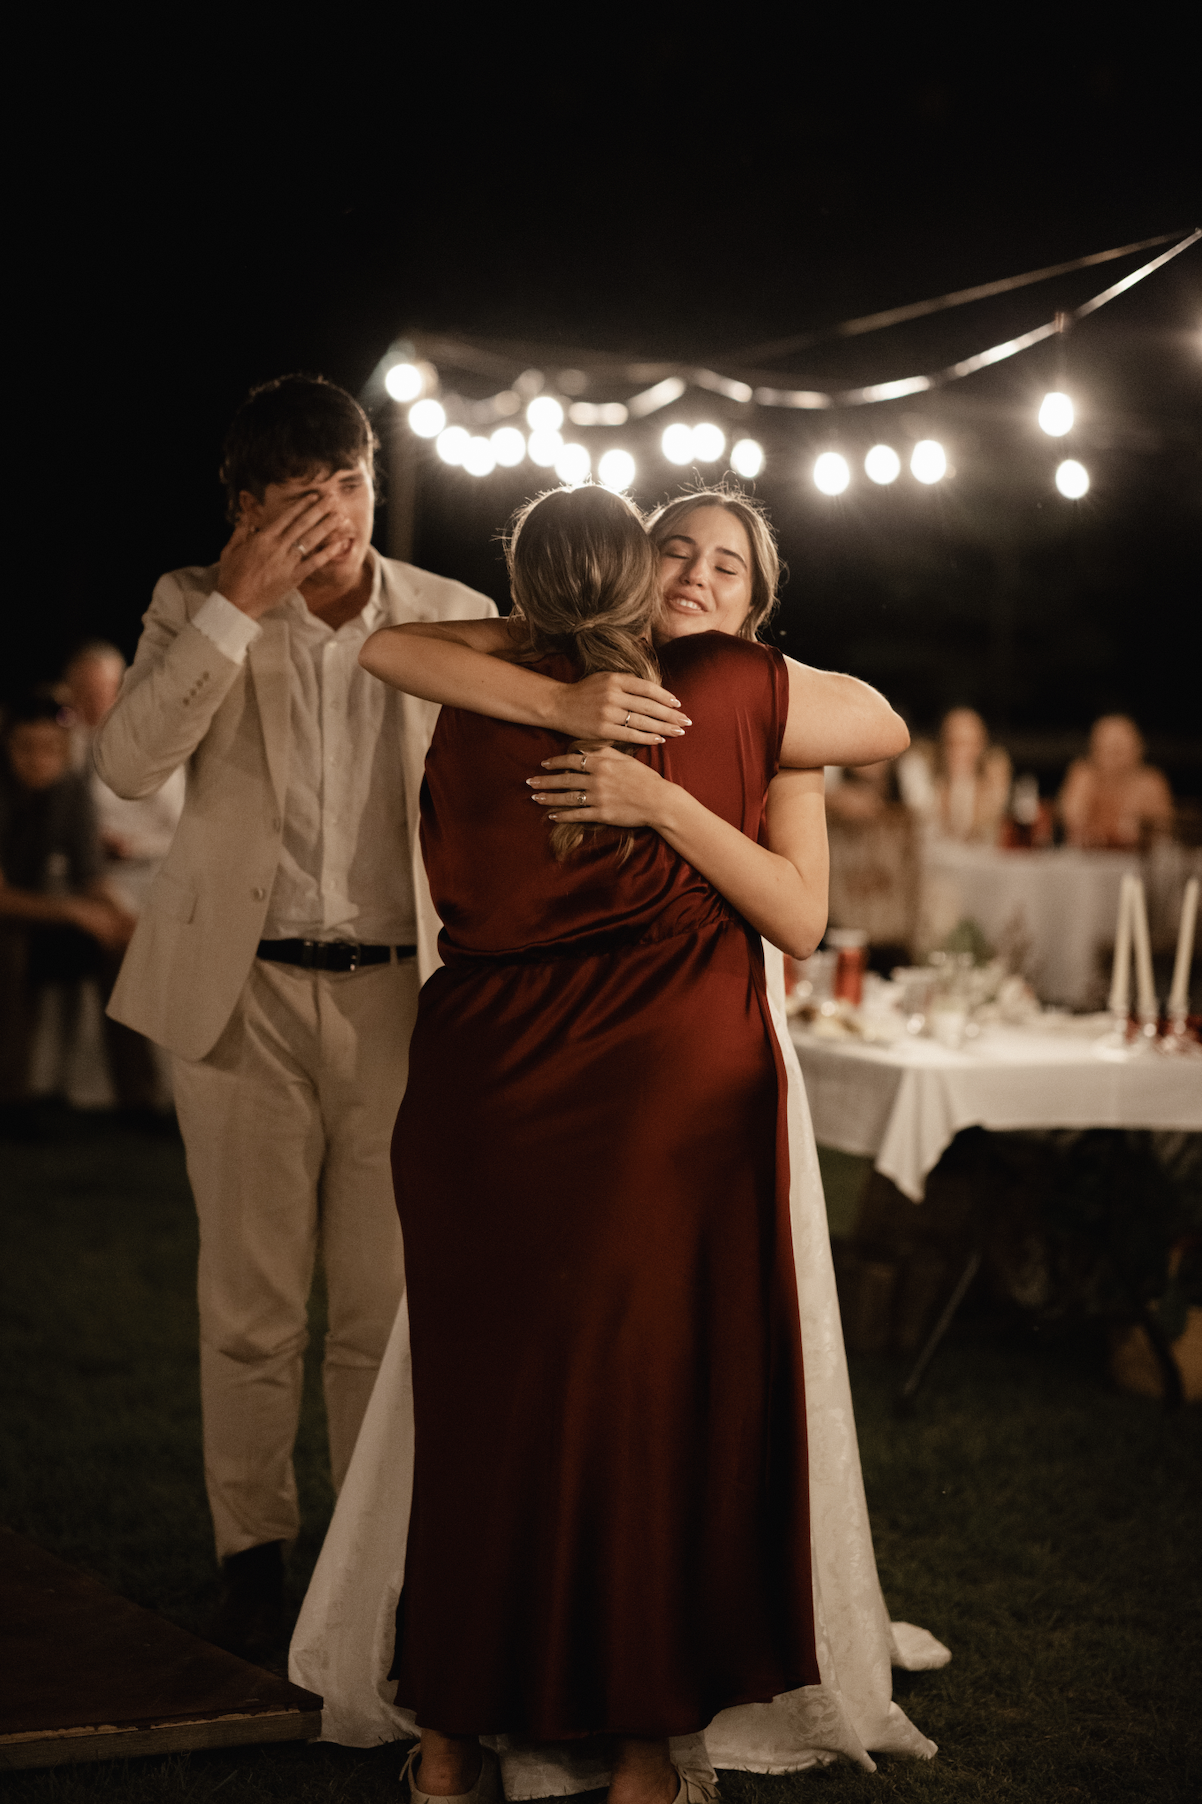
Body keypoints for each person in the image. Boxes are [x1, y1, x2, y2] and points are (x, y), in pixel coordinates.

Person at [291, 487, 945, 1795]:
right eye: (676, 550)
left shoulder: (517, 687)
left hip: (504, 1089)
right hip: (615, 1095)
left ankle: (455, 1740)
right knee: (625, 1417)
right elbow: (879, 721)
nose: (698, 575)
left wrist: (655, 799)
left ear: (759, 611)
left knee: (512, 1420)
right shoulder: (604, 682)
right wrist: (581, 707)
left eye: (728, 565)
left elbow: (809, 888)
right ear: (622, 566)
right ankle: (634, 1742)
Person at [92, 374, 496, 1657]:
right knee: (252, 1304)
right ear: (246, 509)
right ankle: (250, 1561)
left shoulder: (453, 613)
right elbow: (126, 767)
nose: (330, 519)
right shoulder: (189, 605)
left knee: (380, 1310)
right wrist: (235, 609)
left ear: (372, 476)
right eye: (297, 501)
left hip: (404, 998)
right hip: (245, 994)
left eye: (348, 486)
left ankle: (369, 1569)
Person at [0, 696, 140, 1122]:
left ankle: (138, 1099)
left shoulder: (72, 789)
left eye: (49, 749)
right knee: (10, 951)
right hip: (14, 922)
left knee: (123, 946)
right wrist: (76, 912)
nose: (37, 760)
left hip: (40, 916)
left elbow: (91, 877)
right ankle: (13, 1099)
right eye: (26, 748)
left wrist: (123, 916)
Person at [61, 640, 186, 915]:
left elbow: (182, 831)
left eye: (100, 693)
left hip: (145, 880)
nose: (91, 704)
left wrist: (131, 847)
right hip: (82, 880)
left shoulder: (148, 749)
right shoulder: (63, 746)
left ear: (120, 691)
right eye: (81, 693)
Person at [1059, 713, 1174, 849]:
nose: (1114, 759)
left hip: (1135, 860)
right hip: (1090, 860)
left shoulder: (1151, 781)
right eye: (1108, 749)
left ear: (1138, 749)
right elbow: (1071, 822)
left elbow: (1162, 831)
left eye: (1120, 750)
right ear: (1094, 750)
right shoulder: (1083, 775)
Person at [897, 707, 1010, 843]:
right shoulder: (927, 780)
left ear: (981, 746)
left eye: (967, 743)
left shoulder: (991, 778)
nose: (959, 752)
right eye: (952, 743)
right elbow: (926, 819)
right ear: (942, 744)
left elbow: (986, 829)